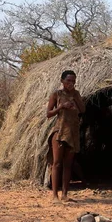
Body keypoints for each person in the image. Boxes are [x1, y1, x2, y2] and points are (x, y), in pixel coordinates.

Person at [46, 70, 86, 202]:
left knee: (68, 164)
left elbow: (82, 110)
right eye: (68, 80)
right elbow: (49, 113)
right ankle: (54, 196)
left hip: (72, 132)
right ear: (62, 81)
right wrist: (61, 107)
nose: (71, 83)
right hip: (60, 131)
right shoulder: (56, 94)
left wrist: (75, 97)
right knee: (57, 163)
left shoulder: (76, 94)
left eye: (73, 81)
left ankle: (64, 194)